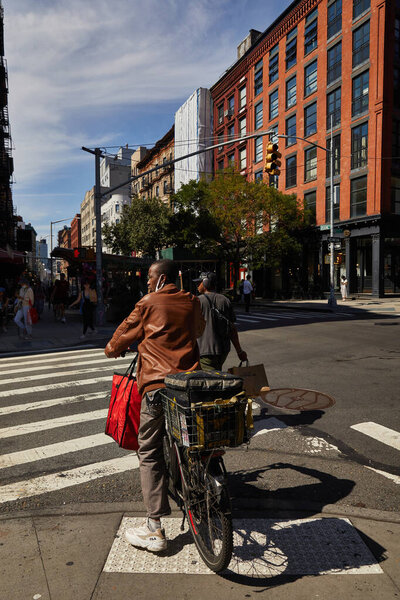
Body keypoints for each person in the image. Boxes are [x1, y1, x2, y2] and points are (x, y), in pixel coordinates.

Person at [105, 259, 205, 552]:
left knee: (148, 450)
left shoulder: (148, 302)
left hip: (156, 387)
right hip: (187, 385)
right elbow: (197, 331)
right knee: (190, 439)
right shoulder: (192, 301)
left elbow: (122, 335)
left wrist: (114, 349)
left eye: (149, 277)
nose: (146, 282)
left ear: (161, 278)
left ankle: (154, 528)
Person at [194, 271, 247, 371]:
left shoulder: (197, 301)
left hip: (205, 352)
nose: (197, 285)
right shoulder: (225, 300)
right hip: (223, 350)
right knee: (217, 374)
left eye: (199, 282)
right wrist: (239, 351)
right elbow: (232, 328)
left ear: (206, 283)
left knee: (211, 381)